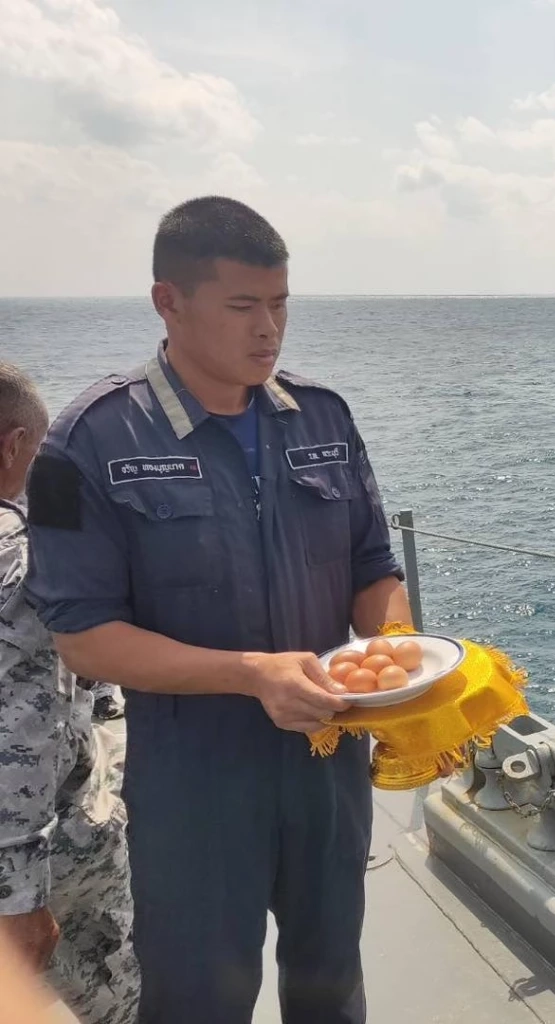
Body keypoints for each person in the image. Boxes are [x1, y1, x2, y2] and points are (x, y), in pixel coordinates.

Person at [23, 197, 412, 1024]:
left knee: (330, 984)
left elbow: (373, 568)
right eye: (243, 307)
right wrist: (249, 675)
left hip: (326, 762)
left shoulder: (326, 419)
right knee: (201, 996)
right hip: (193, 782)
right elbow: (83, 636)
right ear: (169, 300)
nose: (268, 329)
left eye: (279, 305)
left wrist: (404, 666)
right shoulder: (88, 442)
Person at [0, 362, 139, 1024]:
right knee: (137, 998)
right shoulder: (22, 559)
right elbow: (22, 726)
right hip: (49, 855)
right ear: (12, 445)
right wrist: (20, 892)